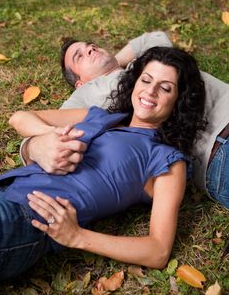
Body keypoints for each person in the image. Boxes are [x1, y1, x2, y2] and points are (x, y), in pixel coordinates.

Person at [0, 46, 206, 281]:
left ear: (179, 102)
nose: (150, 91)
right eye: (146, 80)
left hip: (25, 216)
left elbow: (158, 251)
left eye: (165, 88)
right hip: (4, 188)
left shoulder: (166, 159)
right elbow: (20, 117)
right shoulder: (101, 116)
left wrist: (78, 237)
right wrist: (49, 137)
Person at [21, 32, 229, 209]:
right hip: (218, 149)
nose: (91, 50)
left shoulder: (153, 62)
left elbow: (156, 37)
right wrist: (34, 145)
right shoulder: (85, 95)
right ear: (79, 82)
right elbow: (47, 128)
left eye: (91, 46)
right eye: (80, 56)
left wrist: (125, 66)